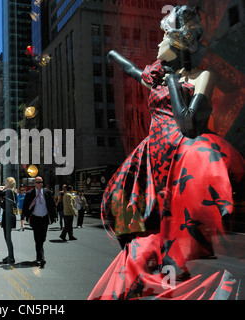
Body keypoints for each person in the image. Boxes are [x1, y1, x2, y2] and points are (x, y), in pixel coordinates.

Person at [89, 5, 244, 300]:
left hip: (182, 153)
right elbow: (135, 72)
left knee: (181, 222)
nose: (157, 44)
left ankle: (184, 269)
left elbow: (188, 124)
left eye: (163, 38)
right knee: (146, 220)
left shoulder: (202, 76)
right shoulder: (156, 78)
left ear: (177, 42)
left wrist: (173, 82)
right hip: (154, 154)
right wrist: (114, 57)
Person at [22, 176, 57, 268]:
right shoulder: (30, 194)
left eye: (41, 182)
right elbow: (25, 206)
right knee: (38, 239)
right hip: (35, 219)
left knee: (43, 237)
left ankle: (40, 255)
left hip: (44, 218)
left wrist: (54, 215)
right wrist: (26, 216)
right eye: (38, 182)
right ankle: (40, 258)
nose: (40, 184)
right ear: (34, 184)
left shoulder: (47, 192)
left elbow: (52, 205)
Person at [0, 177, 17, 265]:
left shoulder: (8, 191)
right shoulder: (13, 192)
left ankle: (11, 257)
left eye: (6, 182)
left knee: (7, 237)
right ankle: (10, 256)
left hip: (8, 215)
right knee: (8, 237)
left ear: (10, 183)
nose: (5, 183)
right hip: (10, 215)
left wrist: (3, 188)